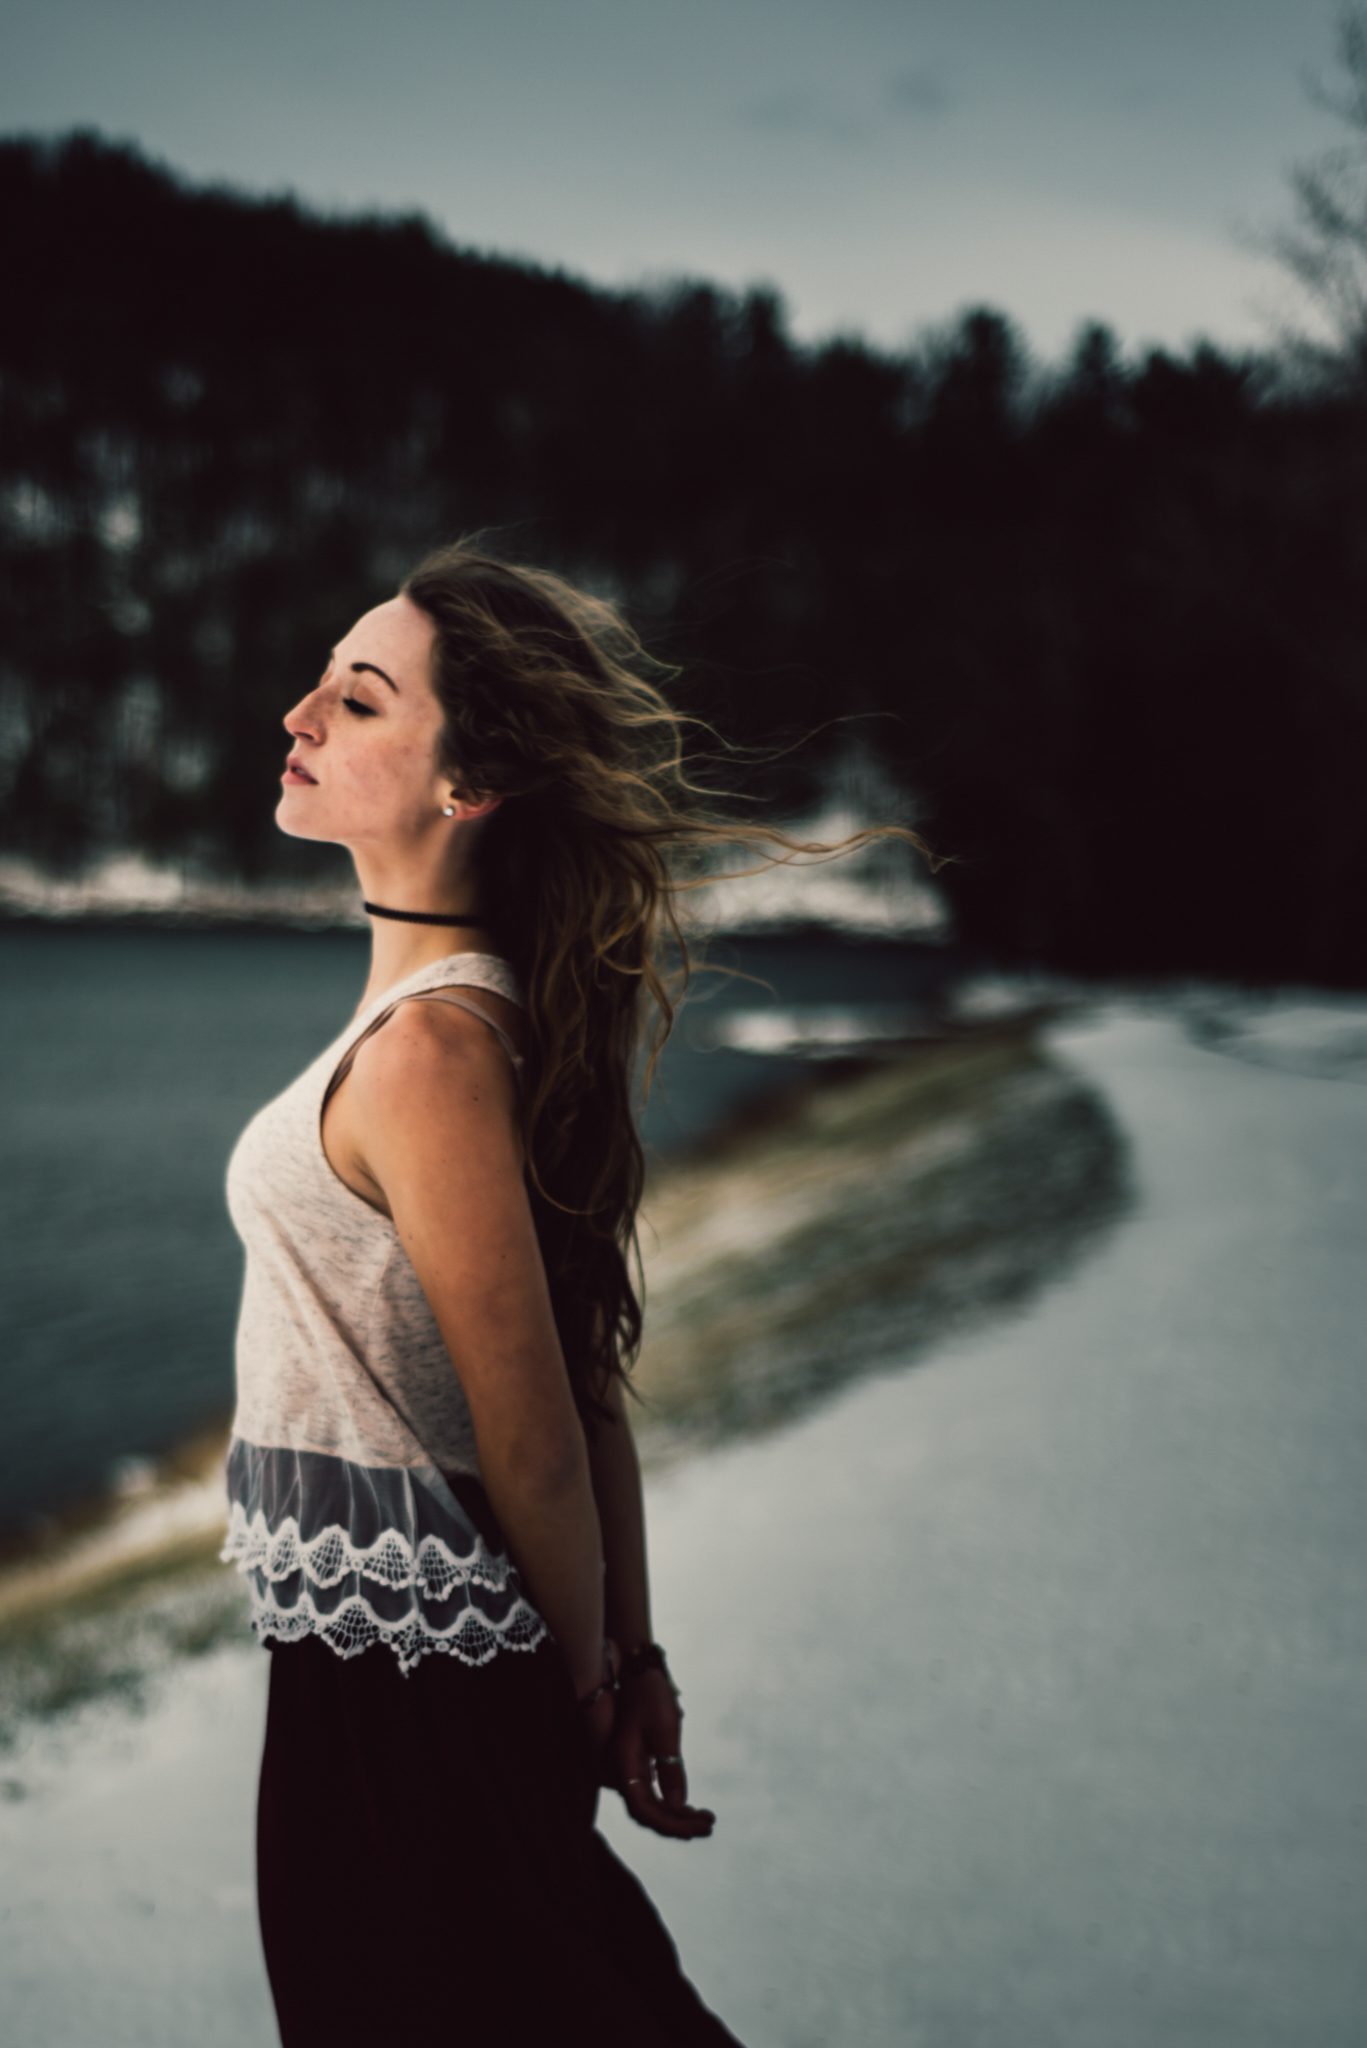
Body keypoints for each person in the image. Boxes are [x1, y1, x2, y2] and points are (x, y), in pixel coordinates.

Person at [221, 542, 751, 2046]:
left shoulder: (433, 1053)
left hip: (412, 1702)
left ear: (471, 786)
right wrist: (627, 1658)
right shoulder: (446, 1017)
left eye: (359, 698)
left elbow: (537, 1441)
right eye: (321, 683)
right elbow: (589, 1385)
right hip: (397, 1676)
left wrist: (586, 1693)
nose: (298, 716)